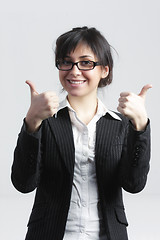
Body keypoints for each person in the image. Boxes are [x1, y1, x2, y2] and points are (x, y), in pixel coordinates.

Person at [11, 26, 151, 240]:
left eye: (86, 62)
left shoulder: (119, 124)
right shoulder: (45, 122)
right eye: (66, 62)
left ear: (104, 70)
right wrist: (31, 121)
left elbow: (134, 184)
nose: (74, 71)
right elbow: (23, 183)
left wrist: (140, 125)